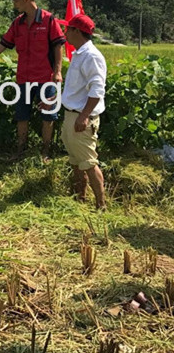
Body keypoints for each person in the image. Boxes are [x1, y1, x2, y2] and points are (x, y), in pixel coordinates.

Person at [0, 0, 65, 160]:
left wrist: (57, 71)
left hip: (45, 78)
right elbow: (4, 43)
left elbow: (58, 47)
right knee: (21, 116)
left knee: (48, 116)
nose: (14, 4)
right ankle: (20, 151)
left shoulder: (48, 20)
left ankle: (45, 153)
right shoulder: (18, 23)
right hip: (24, 79)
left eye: (16, 0)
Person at [61, 14, 107, 209]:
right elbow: (76, 88)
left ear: (77, 32)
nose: (65, 32)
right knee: (76, 160)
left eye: (68, 29)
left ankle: (101, 205)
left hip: (81, 118)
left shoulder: (91, 56)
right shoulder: (79, 53)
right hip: (72, 114)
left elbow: (97, 90)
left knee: (88, 162)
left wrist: (84, 116)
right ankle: (80, 196)